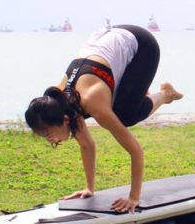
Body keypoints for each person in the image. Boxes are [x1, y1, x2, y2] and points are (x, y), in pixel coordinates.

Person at [24, 24, 183, 213]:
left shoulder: (93, 103)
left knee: (126, 116)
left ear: (65, 119)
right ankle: (138, 94)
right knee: (119, 103)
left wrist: (133, 198)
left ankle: (166, 94)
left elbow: (136, 151)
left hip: (142, 45)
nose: (49, 139)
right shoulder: (59, 101)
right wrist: (89, 188)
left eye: (48, 134)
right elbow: (86, 144)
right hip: (110, 42)